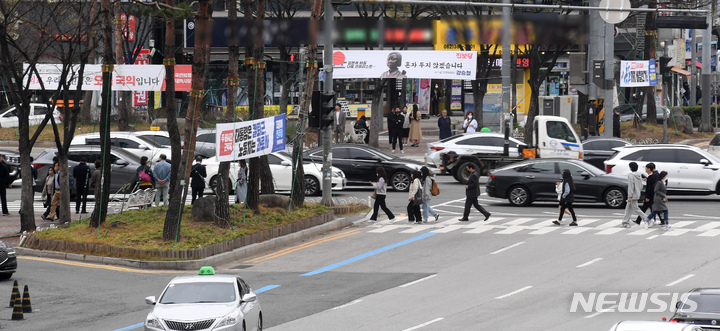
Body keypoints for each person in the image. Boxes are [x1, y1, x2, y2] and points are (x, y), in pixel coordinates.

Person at [621, 162, 650, 228]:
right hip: (637, 194)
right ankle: (625, 222)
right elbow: (641, 186)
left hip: (632, 196)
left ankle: (647, 219)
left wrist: (629, 196)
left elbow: (631, 187)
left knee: (636, 209)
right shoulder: (639, 175)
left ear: (630, 168)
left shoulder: (631, 175)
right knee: (628, 209)